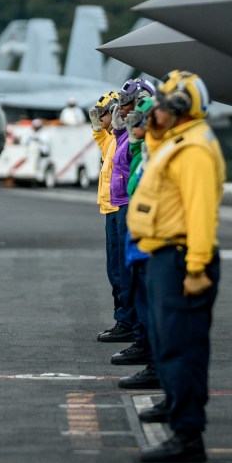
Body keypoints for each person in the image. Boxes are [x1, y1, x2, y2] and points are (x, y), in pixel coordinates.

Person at [130, 71, 224, 463]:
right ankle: (178, 413)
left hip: (182, 258)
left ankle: (187, 436)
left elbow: (200, 214)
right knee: (171, 344)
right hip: (166, 256)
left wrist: (196, 267)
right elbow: (154, 151)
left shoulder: (195, 151)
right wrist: (153, 128)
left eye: (164, 105)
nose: (156, 110)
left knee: (180, 348)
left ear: (181, 109)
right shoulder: (178, 142)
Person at [116, 97, 161, 392]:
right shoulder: (152, 147)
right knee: (140, 293)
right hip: (142, 233)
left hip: (160, 241)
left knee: (155, 304)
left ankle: (154, 359)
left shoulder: (181, 150)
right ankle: (148, 351)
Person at [91, 90, 136, 344]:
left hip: (121, 207)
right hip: (111, 207)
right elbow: (102, 142)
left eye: (103, 115)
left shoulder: (123, 139)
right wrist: (98, 128)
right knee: (114, 270)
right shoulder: (111, 140)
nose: (102, 119)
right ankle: (124, 319)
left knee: (122, 270)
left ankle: (126, 321)